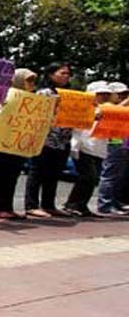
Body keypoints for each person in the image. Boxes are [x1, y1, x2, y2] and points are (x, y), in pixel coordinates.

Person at [0, 69, 39, 219]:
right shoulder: (4, 94)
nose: (31, 84)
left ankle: (7, 206)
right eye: (28, 80)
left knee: (13, 175)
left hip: (19, 141)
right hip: (2, 140)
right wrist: (8, 107)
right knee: (1, 173)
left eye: (32, 81)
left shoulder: (32, 99)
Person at [24, 63, 74, 218]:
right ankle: (31, 205)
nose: (66, 76)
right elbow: (36, 113)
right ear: (51, 74)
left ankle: (48, 204)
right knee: (37, 172)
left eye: (68, 74)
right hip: (44, 139)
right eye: (62, 73)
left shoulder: (70, 94)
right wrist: (54, 104)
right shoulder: (43, 93)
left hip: (63, 139)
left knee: (54, 174)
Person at [63, 81, 111, 217]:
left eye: (106, 94)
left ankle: (81, 205)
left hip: (98, 148)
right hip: (83, 146)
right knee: (88, 176)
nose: (104, 97)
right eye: (101, 94)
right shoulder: (82, 108)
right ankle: (72, 204)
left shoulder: (107, 109)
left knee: (92, 179)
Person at [96, 81, 129, 216]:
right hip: (111, 143)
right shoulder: (106, 106)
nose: (122, 97)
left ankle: (116, 202)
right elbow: (115, 112)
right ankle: (104, 204)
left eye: (125, 94)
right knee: (109, 175)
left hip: (122, 142)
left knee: (119, 176)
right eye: (120, 94)